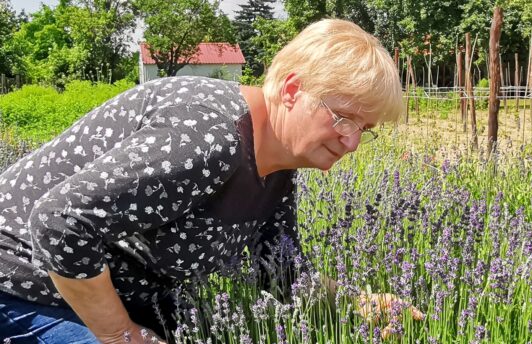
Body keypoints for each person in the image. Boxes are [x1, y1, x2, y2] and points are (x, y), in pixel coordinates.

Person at [0, 19, 417, 343]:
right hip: (23, 284)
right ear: (292, 90)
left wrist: (359, 304)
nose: (352, 141)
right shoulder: (208, 137)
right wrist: (121, 334)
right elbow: (59, 223)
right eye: (344, 118)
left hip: (115, 291)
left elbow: (279, 271)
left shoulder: (278, 165)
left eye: (366, 128)